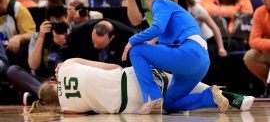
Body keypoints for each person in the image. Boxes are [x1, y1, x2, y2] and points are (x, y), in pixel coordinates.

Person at [121, 0, 227, 114]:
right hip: (201, 62)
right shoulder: (174, 8)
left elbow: (157, 28)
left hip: (189, 53)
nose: (146, 0)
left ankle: (152, 97)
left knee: (136, 50)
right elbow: (161, 38)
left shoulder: (160, 2)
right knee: (169, 104)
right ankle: (210, 97)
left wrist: (132, 40)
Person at [30, 58, 254, 113]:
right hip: (132, 78)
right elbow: (110, 67)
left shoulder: (69, 111)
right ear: (52, 80)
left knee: (172, 105)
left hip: (130, 105)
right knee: (173, 83)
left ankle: (211, 97)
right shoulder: (67, 64)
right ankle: (225, 94)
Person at [7, 5, 69, 104]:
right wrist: (41, 37)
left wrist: (64, 44)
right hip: (43, 82)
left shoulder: (72, 34)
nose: (58, 25)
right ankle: (46, 94)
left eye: (61, 21)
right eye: (54, 22)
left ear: (66, 19)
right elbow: (33, 65)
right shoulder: (38, 36)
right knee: (13, 70)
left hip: (65, 82)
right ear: (47, 21)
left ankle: (38, 98)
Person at [57, 18, 134, 68]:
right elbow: (63, 52)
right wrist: (60, 64)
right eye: (93, 41)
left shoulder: (127, 35)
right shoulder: (79, 30)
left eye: (100, 44)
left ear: (111, 38)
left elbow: (129, 63)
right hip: (84, 69)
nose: (95, 46)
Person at [0, 0, 36, 72]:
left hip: (13, 54)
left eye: (0, 1)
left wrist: (19, 37)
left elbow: (33, 34)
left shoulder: (18, 9)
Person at [243, 0, 270, 86]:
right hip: (268, 51)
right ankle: (268, 84)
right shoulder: (259, 12)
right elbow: (253, 41)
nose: (263, 0)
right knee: (250, 56)